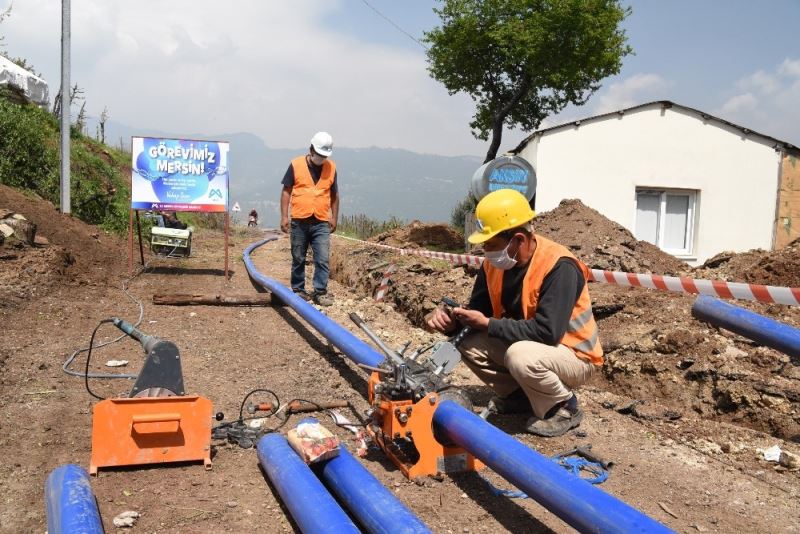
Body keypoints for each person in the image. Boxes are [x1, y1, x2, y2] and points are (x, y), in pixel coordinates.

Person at [425, 189, 603, 437]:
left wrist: (488, 324)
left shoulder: (560, 266)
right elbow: (479, 312)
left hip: (575, 355)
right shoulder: (493, 265)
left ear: (518, 239)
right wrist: (453, 322)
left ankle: (564, 406)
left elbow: (547, 332)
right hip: (533, 346)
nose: (485, 250)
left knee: (520, 355)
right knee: (467, 342)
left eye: (491, 244)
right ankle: (521, 396)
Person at [280, 131, 339, 307]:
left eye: (324, 155)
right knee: (298, 257)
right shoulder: (296, 164)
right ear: (311, 149)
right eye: (319, 154)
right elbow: (286, 191)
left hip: (321, 221)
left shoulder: (331, 168)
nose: (321, 158)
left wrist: (334, 218)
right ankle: (298, 289)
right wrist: (284, 216)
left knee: (322, 258)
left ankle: (320, 291)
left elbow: (335, 195)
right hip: (299, 220)